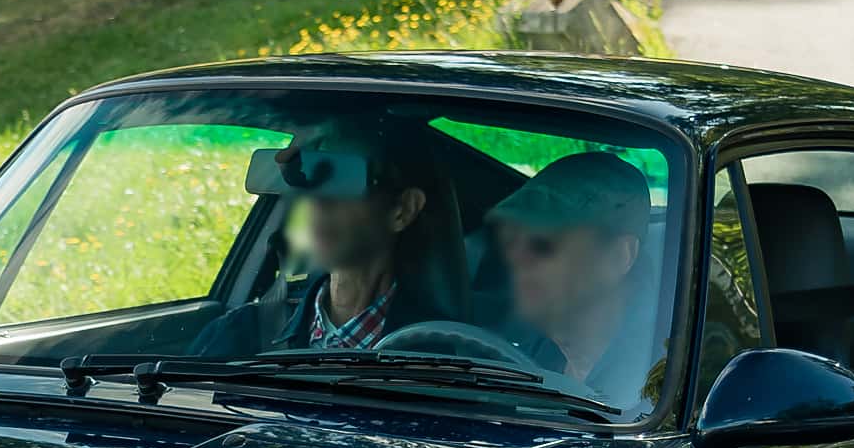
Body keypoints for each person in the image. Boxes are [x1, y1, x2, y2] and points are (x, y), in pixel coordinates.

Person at [255, 116, 459, 350]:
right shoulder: (238, 335)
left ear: (402, 210)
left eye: (345, 179)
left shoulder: (436, 359)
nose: (319, 202)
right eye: (313, 178)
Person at [476, 151, 664, 405]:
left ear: (619, 257)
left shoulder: (661, 386)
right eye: (513, 244)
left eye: (544, 245)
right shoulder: (522, 352)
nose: (520, 261)